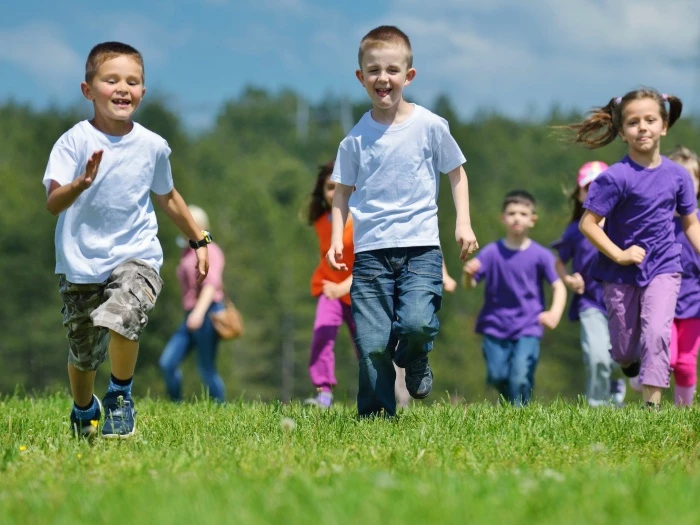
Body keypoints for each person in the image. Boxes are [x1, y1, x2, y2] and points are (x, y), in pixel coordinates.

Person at [43, 42, 210, 438]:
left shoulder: (152, 146)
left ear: (142, 92)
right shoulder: (74, 142)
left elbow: (167, 196)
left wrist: (199, 240)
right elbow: (53, 202)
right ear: (88, 90)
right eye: (111, 79)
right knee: (84, 354)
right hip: (81, 263)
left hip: (136, 255)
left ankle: (119, 395)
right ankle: (84, 408)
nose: (123, 88)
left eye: (132, 81)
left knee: (124, 315)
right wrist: (80, 183)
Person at [326, 25, 478, 417]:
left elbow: (457, 172)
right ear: (361, 78)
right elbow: (341, 191)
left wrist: (463, 223)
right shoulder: (355, 140)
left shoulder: (430, 126)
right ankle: (376, 416)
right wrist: (336, 240)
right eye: (373, 70)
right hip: (372, 254)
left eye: (392, 70)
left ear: (408, 76)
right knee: (373, 343)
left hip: (421, 249)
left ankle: (416, 357)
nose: (383, 78)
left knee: (416, 325)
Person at [569, 88, 700, 408]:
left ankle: (652, 405)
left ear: (664, 126)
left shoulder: (679, 176)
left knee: (657, 333)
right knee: (625, 347)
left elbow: (690, 222)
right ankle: (630, 364)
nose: (642, 127)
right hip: (619, 271)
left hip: (665, 266)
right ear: (622, 132)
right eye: (633, 122)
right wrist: (619, 254)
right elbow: (587, 224)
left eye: (650, 120)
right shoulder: (614, 179)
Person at [304, 162, 457, 409]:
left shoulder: (365, 222)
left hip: (362, 290)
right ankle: (323, 391)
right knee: (322, 334)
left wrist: (444, 273)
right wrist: (331, 285)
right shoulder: (322, 221)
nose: (334, 193)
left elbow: (376, 260)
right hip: (329, 291)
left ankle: (396, 396)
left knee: (371, 347)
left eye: (340, 187)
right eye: (329, 188)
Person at [463, 190, 566, 406]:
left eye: (522, 213)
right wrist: (468, 275)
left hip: (528, 326)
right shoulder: (491, 253)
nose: (517, 218)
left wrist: (554, 313)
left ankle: (520, 413)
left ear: (532, 220)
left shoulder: (541, 255)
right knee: (497, 376)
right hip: (494, 325)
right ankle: (511, 407)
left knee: (520, 377)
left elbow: (559, 286)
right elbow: (470, 286)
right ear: (502, 218)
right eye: (511, 213)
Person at [551, 161, 627, 406]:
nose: (595, 192)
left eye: (600, 186)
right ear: (580, 194)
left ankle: (615, 386)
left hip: (622, 302)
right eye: (588, 187)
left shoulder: (624, 226)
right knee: (596, 356)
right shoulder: (576, 230)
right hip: (590, 303)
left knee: (622, 356)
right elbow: (559, 262)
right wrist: (569, 279)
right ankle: (598, 406)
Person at [159, 206, 227, 404]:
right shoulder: (188, 251)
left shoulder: (210, 250)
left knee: (206, 368)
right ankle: (175, 403)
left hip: (207, 312)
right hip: (191, 314)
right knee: (168, 362)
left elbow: (211, 286)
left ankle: (219, 408)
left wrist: (198, 313)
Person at [666, 146, 700, 406]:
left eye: (691, 179)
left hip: (694, 305)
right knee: (666, 360)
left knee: (685, 364)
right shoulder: (659, 221)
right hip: (662, 302)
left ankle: (683, 412)